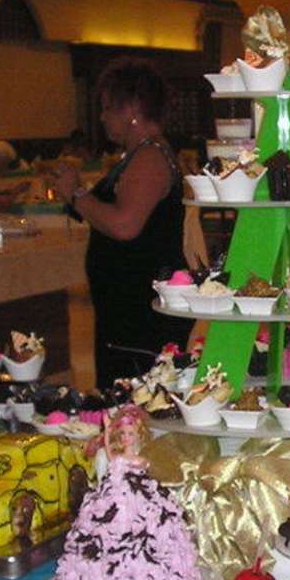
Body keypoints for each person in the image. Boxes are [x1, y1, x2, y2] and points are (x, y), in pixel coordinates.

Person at [51, 59, 197, 384]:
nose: (102, 117)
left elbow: (124, 225)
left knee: (136, 399)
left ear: (131, 108)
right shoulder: (140, 155)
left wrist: (76, 195)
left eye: (107, 107)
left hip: (139, 314)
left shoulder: (150, 157)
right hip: (128, 309)